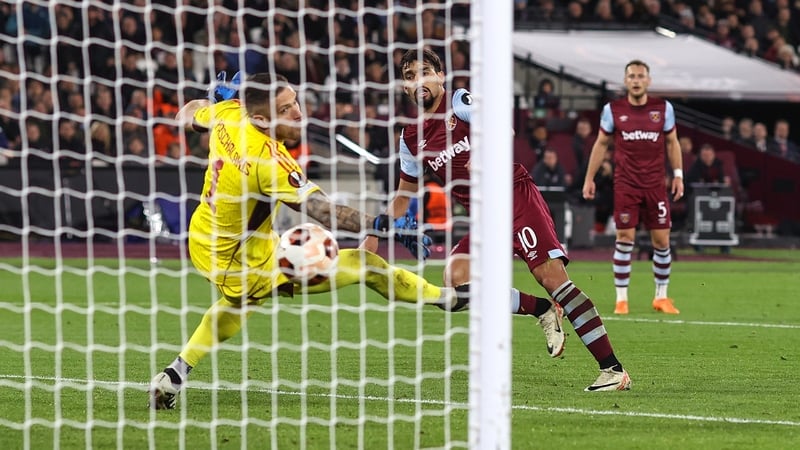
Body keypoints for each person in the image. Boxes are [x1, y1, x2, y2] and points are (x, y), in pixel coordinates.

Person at [149, 72, 457, 410]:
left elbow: (186, 114)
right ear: (263, 118)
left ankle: (173, 376)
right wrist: (383, 223)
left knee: (360, 266)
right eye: (286, 109)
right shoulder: (269, 161)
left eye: (295, 101)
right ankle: (447, 297)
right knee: (248, 301)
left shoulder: (230, 114)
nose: (298, 112)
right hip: (234, 259)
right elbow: (322, 211)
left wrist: (218, 100)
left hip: (215, 234)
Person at [361, 49, 630, 392]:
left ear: (441, 76)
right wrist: (375, 230)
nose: (419, 80)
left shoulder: (459, 101)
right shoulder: (410, 138)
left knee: (554, 279)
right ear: (404, 86)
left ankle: (613, 370)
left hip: (515, 199)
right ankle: (541, 310)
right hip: (484, 218)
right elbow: (403, 195)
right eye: (411, 75)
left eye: (425, 71)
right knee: (456, 283)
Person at [582, 59, 684, 316]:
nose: (636, 80)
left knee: (661, 241)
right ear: (625, 81)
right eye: (632, 76)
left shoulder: (663, 109)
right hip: (626, 185)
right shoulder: (613, 110)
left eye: (641, 76)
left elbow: (672, 143)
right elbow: (601, 144)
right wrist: (589, 178)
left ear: (648, 80)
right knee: (624, 238)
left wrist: (678, 175)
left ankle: (661, 296)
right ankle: (621, 299)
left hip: (655, 186)